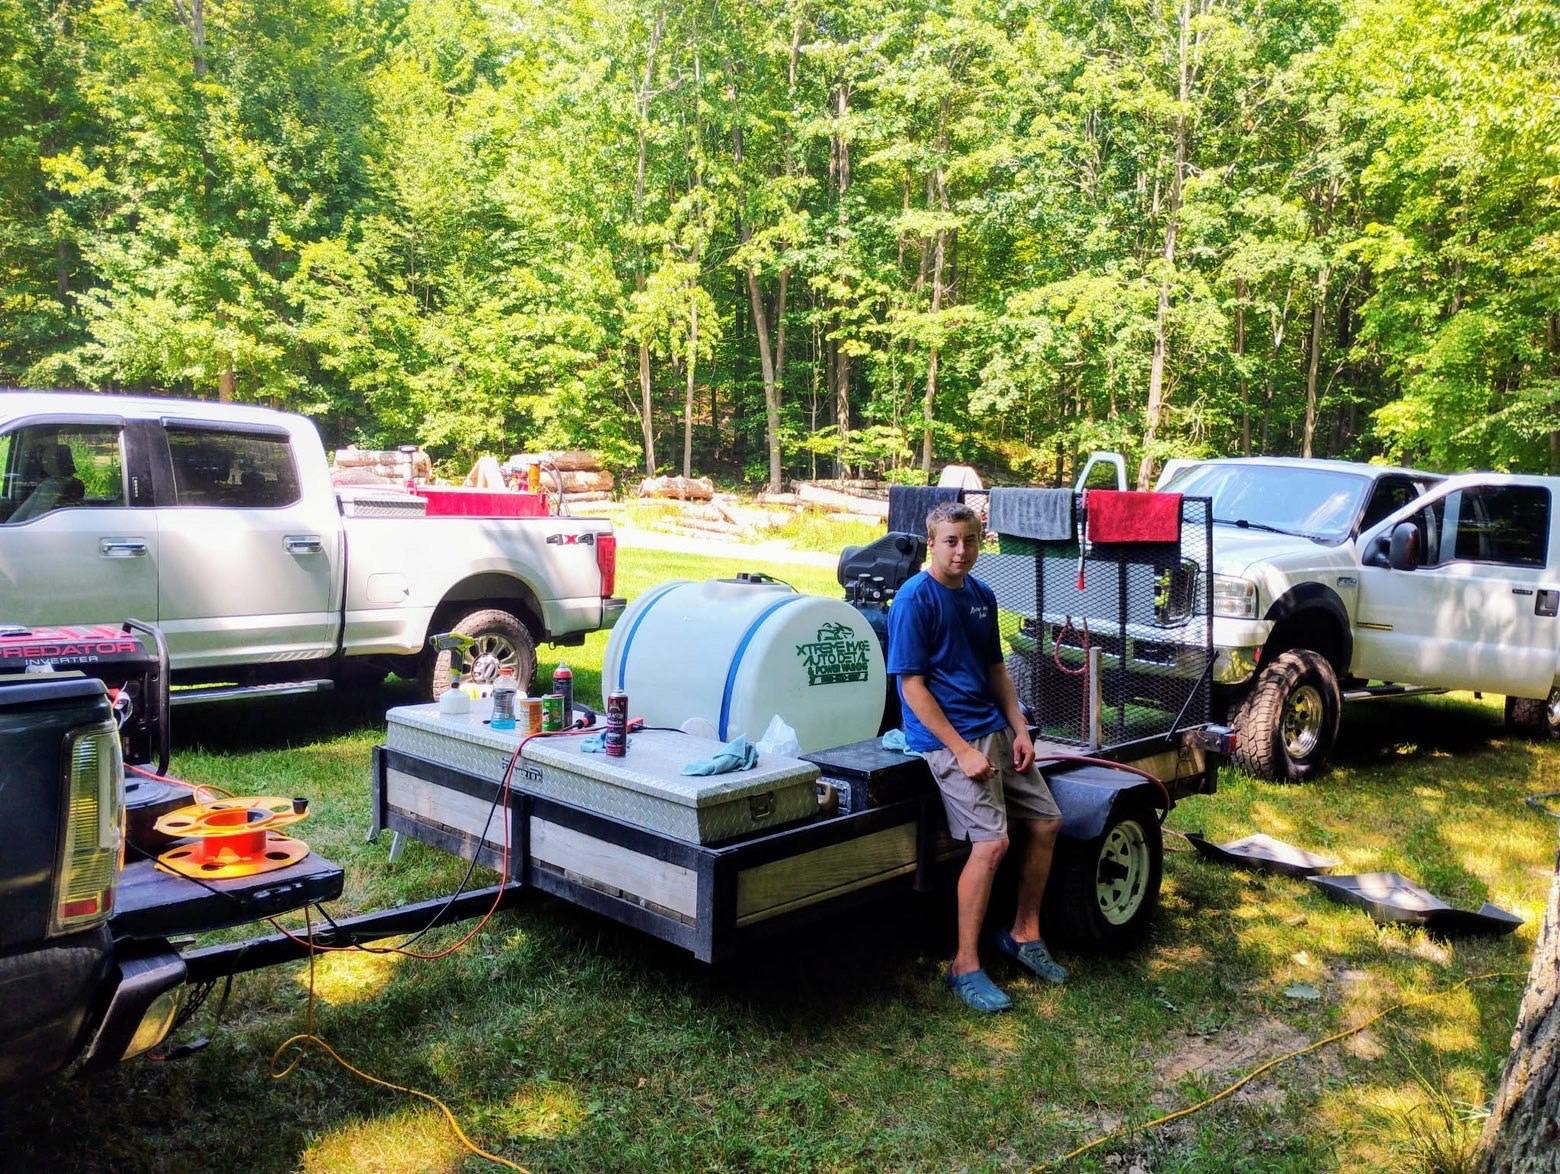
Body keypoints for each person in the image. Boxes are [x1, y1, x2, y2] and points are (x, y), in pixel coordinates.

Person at [887, 501, 1067, 1012]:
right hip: (948, 741)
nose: (961, 550)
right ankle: (964, 965)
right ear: (932, 543)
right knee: (991, 846)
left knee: (1048, 822)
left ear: (980, 541)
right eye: (950, 541)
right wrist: (961, 751)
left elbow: (997, 672)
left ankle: (1023, 934)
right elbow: (913, 688)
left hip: (993, 731)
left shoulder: (981, 596)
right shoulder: (914, 600)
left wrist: (1019, 729)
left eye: (969, 540)